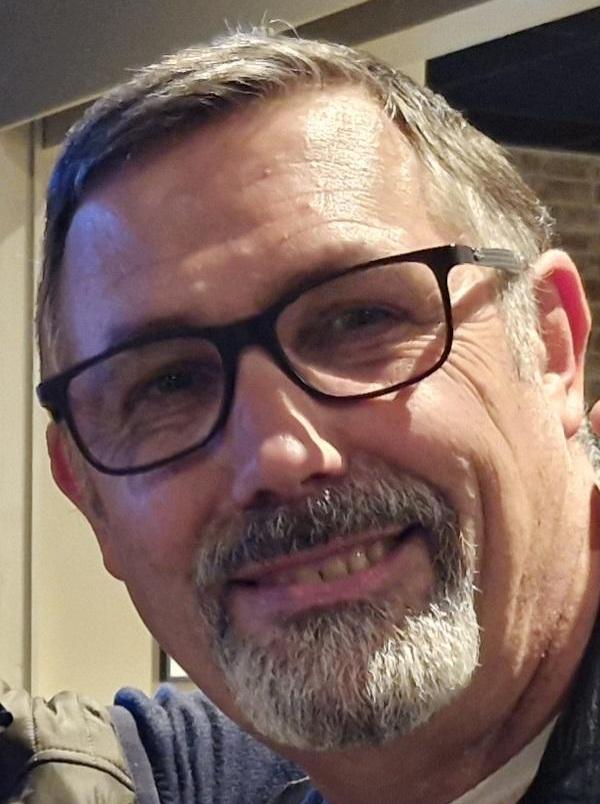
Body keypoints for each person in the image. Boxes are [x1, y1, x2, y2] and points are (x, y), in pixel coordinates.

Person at [2, 28, 600, 804]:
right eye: (168, 384)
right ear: (88, 498)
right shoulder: (199, 774)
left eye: (359, 320)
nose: (281, 453)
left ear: (551, 346)